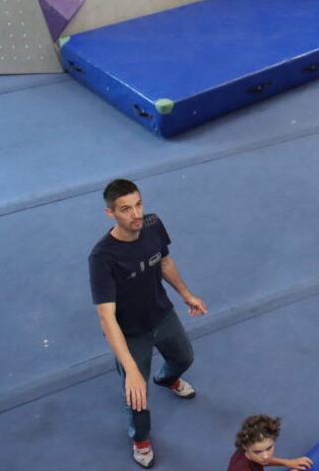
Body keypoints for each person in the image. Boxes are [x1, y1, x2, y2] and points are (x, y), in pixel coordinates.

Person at [89, 178, 208, 468]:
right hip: (131, 332)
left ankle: (166, 378)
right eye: (126, 209)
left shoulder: (153, 224)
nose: (136, 214)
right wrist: (130, 369)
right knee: (136, 396)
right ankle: (140, 439)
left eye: (138, 204)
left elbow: (164, 262)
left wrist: (186, 294)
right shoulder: (102, 257)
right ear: (111, 214)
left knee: (184, 357)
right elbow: (106, 318)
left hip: (162, 313)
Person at [227, 414, 313, 471]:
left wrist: (287, 462)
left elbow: (263, 461)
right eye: (257, 452)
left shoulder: (248, 452)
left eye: (269, 448)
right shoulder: (242, 468)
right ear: (245, 447)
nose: (265, 456)